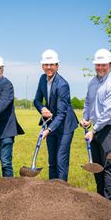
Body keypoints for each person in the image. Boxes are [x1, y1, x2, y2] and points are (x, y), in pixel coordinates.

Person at [80, 48, 111, 202]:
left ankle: (109, 205)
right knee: (97, 166)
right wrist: (86, 118)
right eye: (97, 65)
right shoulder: (92, 82)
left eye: (103, 65)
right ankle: (100, 202)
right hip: (97, 128)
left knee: (108, 166)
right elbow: (88, 102)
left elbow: (108, 113)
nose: (100, 68)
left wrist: (93, 130)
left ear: (110, 65)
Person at [33, 49, 78, 181]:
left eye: (52, 64)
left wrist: (49, 130)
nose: (49, 67)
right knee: (52, 160)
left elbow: (61, 113)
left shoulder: (62, 84)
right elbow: (36, 100)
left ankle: (63, 193)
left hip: (65, 126)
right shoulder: (42, 79)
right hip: (52, 122)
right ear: (42, 66)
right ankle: (52, 192)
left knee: (60, 161)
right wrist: (42, 109)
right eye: (46, 64)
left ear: (57, 66)